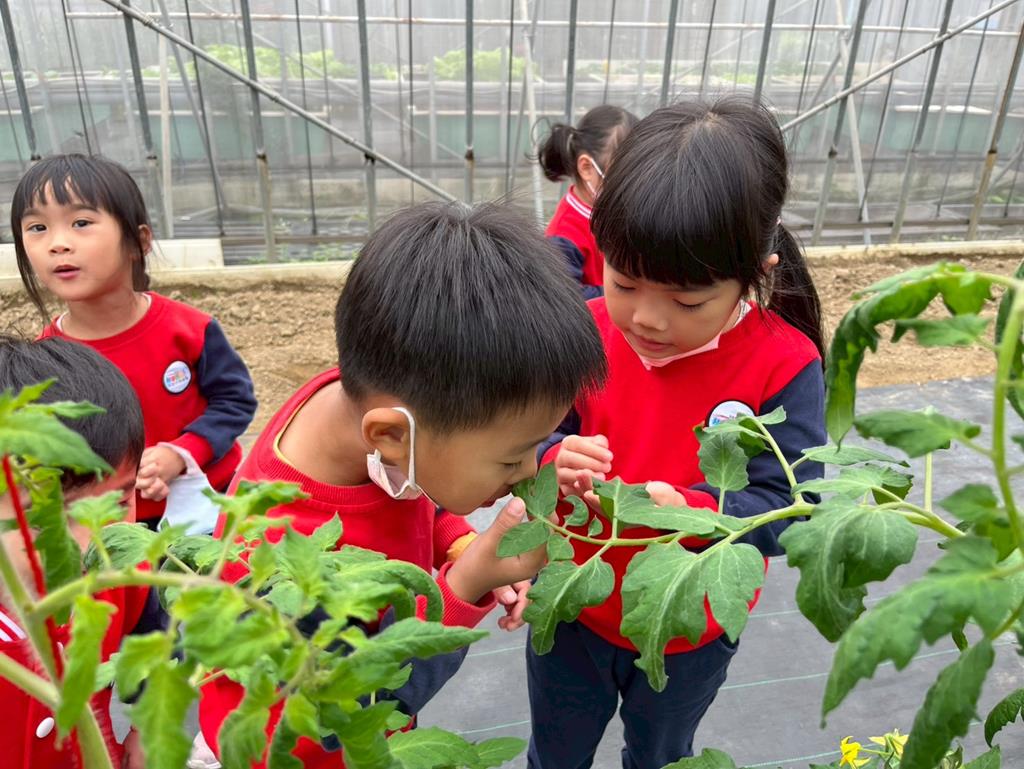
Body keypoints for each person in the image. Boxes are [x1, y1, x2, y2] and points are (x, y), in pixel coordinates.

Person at [194, 201, 608, 768]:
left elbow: (415, 493)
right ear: (390, 434)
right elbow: (346, 713)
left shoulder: (362, 415)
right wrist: (465, 584)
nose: (527, 474)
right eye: (511, 458)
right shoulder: (278, 556)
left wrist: (459, 541)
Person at [528, 97, 828, 769]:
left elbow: (794, 508)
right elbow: (532, 438)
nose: (648, 319)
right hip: (575, 607)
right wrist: (552, 456)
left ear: (756, 275)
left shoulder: (783, 364)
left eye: (687, 300)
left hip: (691, 625)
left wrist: (692, 511)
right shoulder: (586, 331)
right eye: (624, 283)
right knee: (555, 753)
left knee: (660, 754)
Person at [11, 154, 257, 530]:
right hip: (112, 525)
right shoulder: (45, 362)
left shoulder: (190, 330)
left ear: (138, 242)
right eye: (37, 228)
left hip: (210, 503)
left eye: (81, 223)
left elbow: (234, 402)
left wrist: (182, 453)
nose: (57, 244)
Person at [0, 334, 165, 769]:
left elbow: (154, 643)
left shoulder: (124, 574)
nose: (91, 544)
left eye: (120, 501)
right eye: (47, 518)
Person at [538, 105, 638, 298]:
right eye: (624, 175)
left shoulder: (617, 209)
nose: (632, 184)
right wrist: (625, 292)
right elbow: (566, 296)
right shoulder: (564, 235)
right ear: (586, 168)